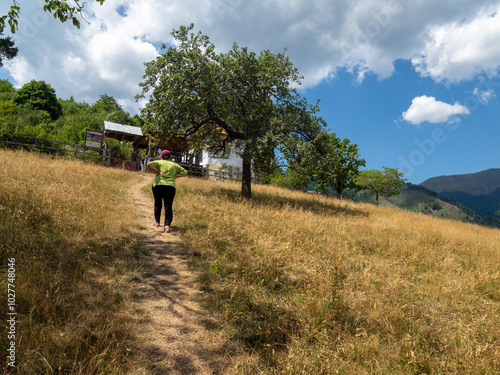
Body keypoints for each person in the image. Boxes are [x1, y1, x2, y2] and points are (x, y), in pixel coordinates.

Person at [147, 150, 187, 232]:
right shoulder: (174, 165)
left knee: (158, 203)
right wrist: (176, 176)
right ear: (170, 157)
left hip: (158, 185)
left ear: (161, 156)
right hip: (170, 186)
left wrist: (158, 172)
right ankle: (167, 226)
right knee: (168, 206)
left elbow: (148, 164)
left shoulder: (159, 162)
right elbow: (185, 172)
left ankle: (157, 222)